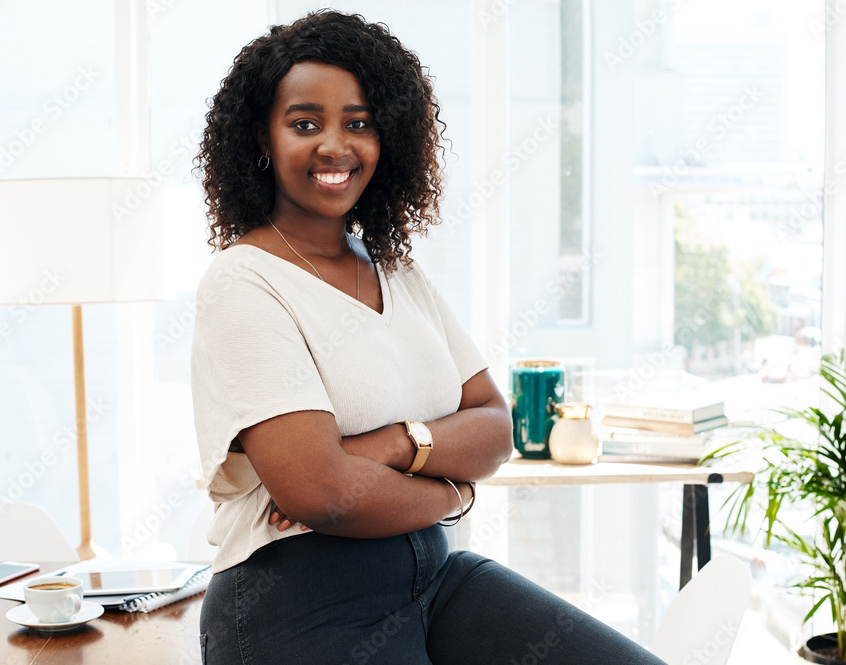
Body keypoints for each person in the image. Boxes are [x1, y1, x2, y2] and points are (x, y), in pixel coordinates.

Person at [191, 10, 667, 665]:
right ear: (262, 138)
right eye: (306, 124)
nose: (336, 146)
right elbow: (321, 492)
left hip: (435, 577)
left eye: (358, 123)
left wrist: (394, 444)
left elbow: (496, 424)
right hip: (299, 599)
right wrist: (454, 489)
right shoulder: (242, 282)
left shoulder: (396, 271)